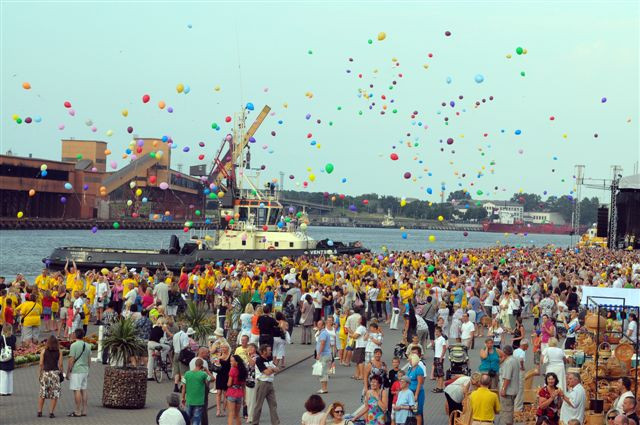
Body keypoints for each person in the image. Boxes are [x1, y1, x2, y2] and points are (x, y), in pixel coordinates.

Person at [252, 344, 280, 425]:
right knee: (258, 405)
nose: (270, 351)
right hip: (262, 383)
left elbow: (277, 368)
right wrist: (272, 369)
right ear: (264, 351)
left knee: (273, 405)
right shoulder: (259, 360)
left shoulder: (269, 359)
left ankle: (276, 423)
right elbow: (267, 372)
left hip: (270, 384)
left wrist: (272, 369)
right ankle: (255, 423)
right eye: (269, 350)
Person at [67, 329, 91, 417]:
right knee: (84, 390)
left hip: (76, 370)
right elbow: (89, 359)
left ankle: (77, 411)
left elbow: (71, 359)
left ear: (75, 335)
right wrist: (88, 369)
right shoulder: (88, 345)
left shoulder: (73, 345)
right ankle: (84, 410)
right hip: (85, 370)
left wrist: (68, 371)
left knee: (76, 390)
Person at [182, 358, 213, 425]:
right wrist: (207, 370)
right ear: (202, 365)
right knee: (196, 420)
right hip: (199, 401)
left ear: (195, 364)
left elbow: (183, 388)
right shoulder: (203, 374)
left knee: (187, 419)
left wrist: (183, 398)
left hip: (189, 400)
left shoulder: (187, 374)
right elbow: (213, 379)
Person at [38, 335, 63, 418]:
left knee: (43, 393)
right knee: (54, 394)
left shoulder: (43, 351)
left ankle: (40, 411)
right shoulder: (59, 351)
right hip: (55, 374)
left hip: (46, 373)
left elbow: (41, 364)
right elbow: (60, 364)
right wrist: (61, 372)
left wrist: (40, 373)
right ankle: (51, 412)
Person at [499, 345, 519, 425]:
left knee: (506, 411)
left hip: (508, 391)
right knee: (510, 410)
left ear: (504, 352)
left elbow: (507, 378)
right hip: (514, 389)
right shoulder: (514, 359)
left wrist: (503, 389)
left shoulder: (508, 362)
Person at [227, 354, 247, 425]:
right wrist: (244, 399)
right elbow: (243, 386)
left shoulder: (233, 370)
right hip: (239, 394)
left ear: (236, 362)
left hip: (232, 392)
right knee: (237, 415)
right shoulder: (243, 371)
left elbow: (229, 384)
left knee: (231, 414)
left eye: (232, 361)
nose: (230, 363)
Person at [405, 353, 425, 425]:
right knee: (411, 411)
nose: (409, 361)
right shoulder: (410, 369)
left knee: (417, 412)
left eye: (410, 360)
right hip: (410, 392)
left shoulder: (419, 370)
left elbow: (420, 383)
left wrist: (416, 395)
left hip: (417, 393)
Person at [173, 326, 193, 393]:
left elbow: (173, 344)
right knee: (183, 372)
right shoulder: (185, 336)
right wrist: (189, 346)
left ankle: (175, 386)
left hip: (175, 353)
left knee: (176, 371)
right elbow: (185, 345)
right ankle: (182, 387)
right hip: (182, 354)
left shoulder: (175, 335)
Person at [315, 319, 332, 394]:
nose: (318, 326)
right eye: (317, 324)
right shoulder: (323, 333)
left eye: (319, 324)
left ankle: (324, 389)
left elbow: (322, 343)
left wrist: (318, 354)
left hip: (324, 355)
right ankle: (323, 388)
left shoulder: (323, 333)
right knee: (323, 371)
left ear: (323, 325)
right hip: (326, 354)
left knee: (323, 372)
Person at [0, 324, 16, 396]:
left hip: (3, 358)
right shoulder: (13, 338)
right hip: (10, 357)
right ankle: (9, 390)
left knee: (4, 375)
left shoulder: (1, 338)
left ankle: (3, 391)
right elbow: (14, 347)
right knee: (10, 374)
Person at [513, 339, 528, 411]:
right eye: (527, 346)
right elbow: (521, 359)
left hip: (514, 370)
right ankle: (518, 408)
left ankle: (514, 405)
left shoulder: (515, 351)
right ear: (524, 345)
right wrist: (522, 366)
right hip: (520, 370)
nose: (527, 348)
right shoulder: (522, 352)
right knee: (520, 388)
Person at [432, 326, 447, 393]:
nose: (436, 333)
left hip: (439, 357)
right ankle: (438, 387)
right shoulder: (437, 339)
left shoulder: (442, 339)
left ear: (440, 332)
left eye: (437, 332)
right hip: (436, 357)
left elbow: (444, 348)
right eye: (435, 332)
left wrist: (441, 357)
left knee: (440, 374)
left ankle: (440, 387)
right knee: (437, 374)